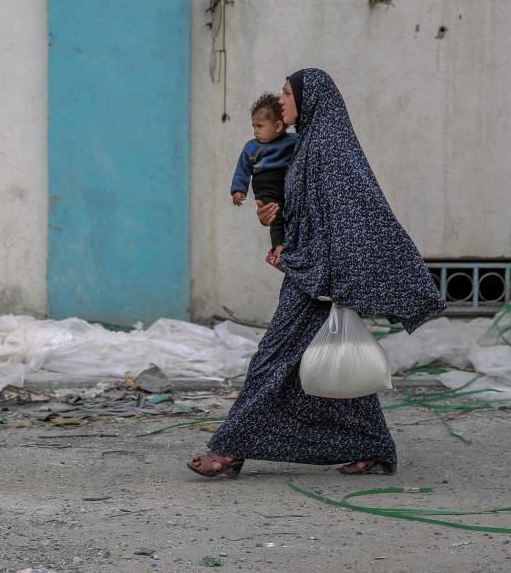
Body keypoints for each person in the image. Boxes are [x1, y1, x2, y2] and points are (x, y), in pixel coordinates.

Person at [187, 68, 446, 479]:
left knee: (272, 359)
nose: (281, 100)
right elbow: (307, 209)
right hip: (310, 270)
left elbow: (349, 216)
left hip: (319, 279)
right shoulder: (308, 144)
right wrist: (271, 217)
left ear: (309, 100)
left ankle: (229, 448)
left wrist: (336, 278)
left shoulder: (328, 148)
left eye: (287, 94)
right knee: (335, 362)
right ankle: (373, 447)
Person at [230, 93, 297, 260]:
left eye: (259, 126)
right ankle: (279, 247)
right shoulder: (252, 147)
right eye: (254, 126)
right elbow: (243, 168)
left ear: (278, 126)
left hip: (286, 183)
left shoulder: (292, 141)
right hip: (266, 188)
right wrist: (238, 190)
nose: (255, 131)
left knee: (291, 213)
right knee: (275, 215)